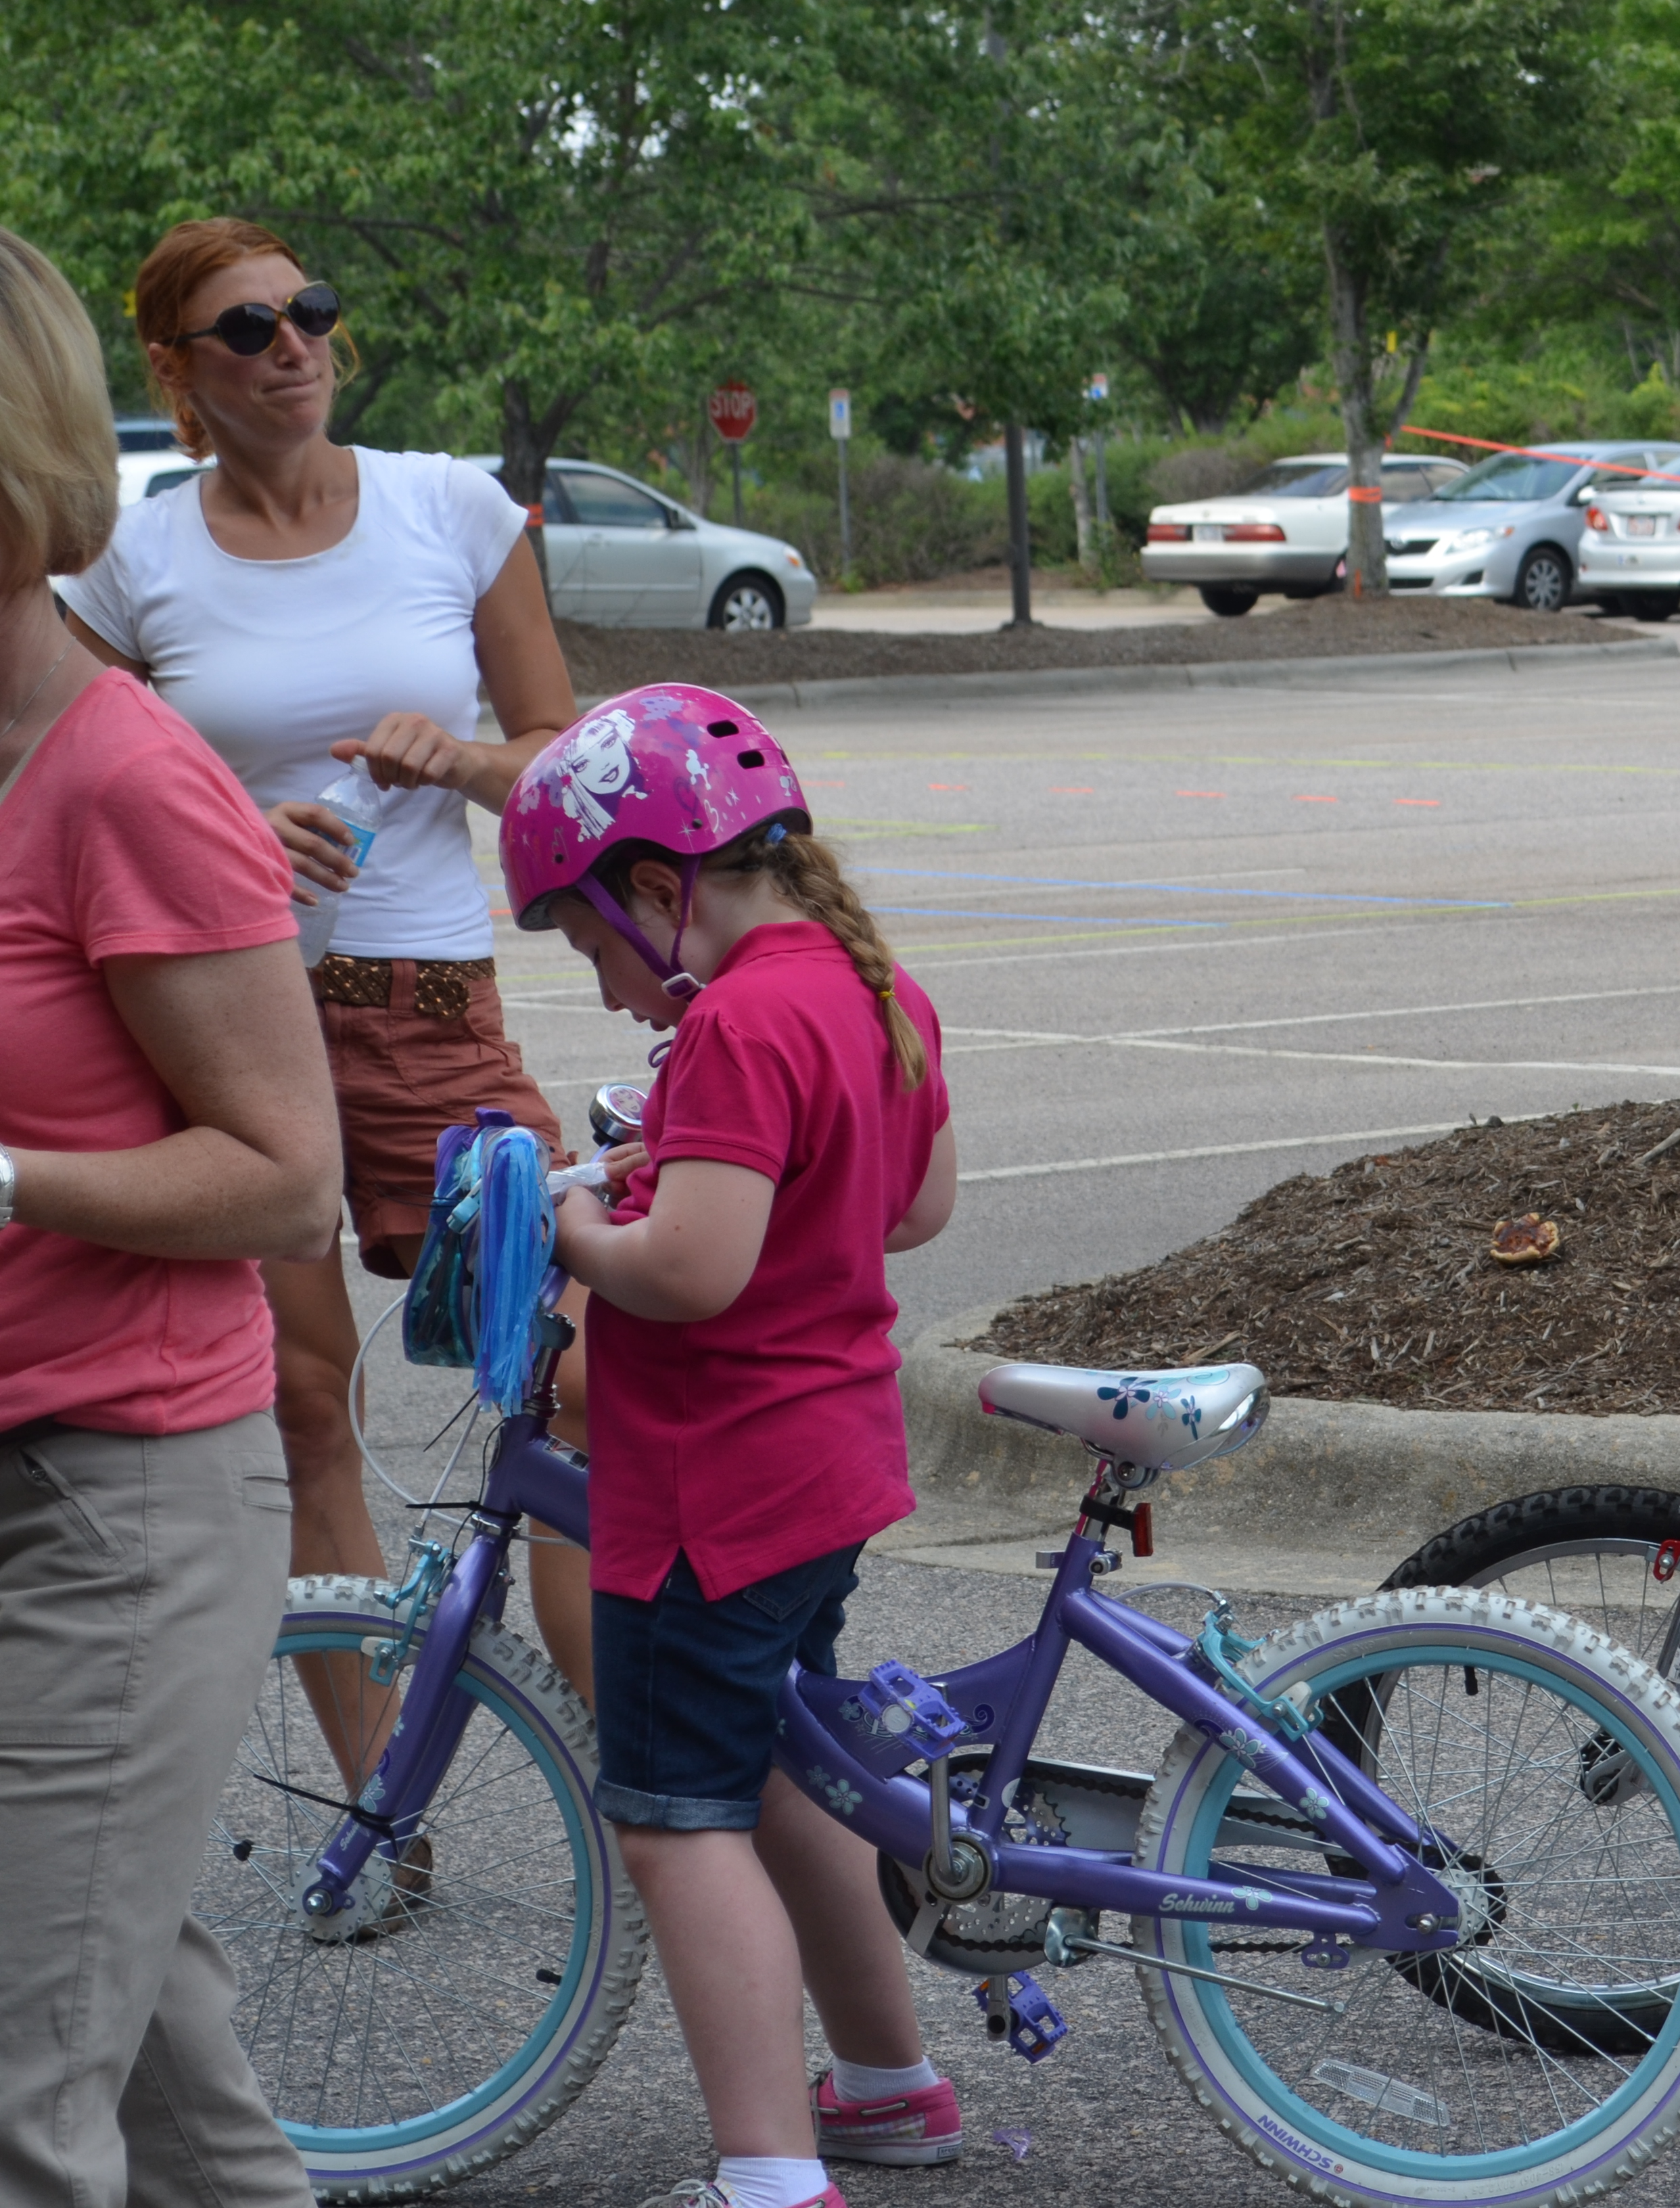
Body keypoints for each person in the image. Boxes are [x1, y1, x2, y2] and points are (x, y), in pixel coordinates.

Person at [61, 216, 599, 1720]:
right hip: (231, 1020)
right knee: (305, 1401)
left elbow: (569, 763)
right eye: (247, 328)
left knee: (576, 1374)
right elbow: (65, 783)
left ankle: (643, 1774)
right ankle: (380, 1823)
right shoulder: (128, 558)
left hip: (427, 1007)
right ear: (177, 368)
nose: (292, 345)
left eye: (308, 312)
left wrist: (471, 757)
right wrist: (228, 822)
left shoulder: (448, 508)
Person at [509, 686, 964, 2208]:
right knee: (790, 1773)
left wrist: (577, 1217)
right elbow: (909, 1205)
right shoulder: (866, 985)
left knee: (674, 1825)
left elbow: (692, 1274)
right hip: (824, 1467)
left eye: (589, 944)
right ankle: (889, 2089)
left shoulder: (739, 1020)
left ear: (658, 887)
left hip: (711, 1489)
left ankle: (769, 2177)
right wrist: (708, 1169)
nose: (603, 988)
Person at [0, 223, 341, 2208]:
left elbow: (286, 1176)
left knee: (24, 2092)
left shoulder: (127, 775)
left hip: (116, 1504)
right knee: (148, 2067)